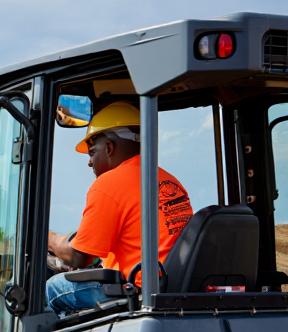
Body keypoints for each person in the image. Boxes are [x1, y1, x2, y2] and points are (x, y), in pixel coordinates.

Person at [45, 101, 193, 315]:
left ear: (109, 147)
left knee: (54, 288)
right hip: (168, 285)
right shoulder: (168, 180)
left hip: (137, 290)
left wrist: (46, 238)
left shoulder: (108, 185)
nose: (89, 163)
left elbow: (80, 257)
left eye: (92, 152)